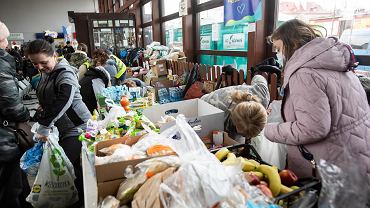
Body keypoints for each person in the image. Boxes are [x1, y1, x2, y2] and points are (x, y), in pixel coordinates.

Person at [263, 19, 370, 198]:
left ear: (292, 44)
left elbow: (312, 127)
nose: (277, 55)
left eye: (279, 49)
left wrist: (270, 130)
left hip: (331, 168)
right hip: (357, 156)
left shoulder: (305, 74)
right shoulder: (337, 64)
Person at [26, 39, 91, 206]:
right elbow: (50, 96)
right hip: (60, 127)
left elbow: (64, 100)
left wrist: (44, 126)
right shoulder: (46, 72)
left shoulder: (65, 73)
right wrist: (43, 108)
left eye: (43, 62)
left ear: (54, 55)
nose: (39, 67)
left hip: (78, 127)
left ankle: (86, 200)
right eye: (35, 64)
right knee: (67, 168)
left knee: (63, 167)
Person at [0, 20, 32, 208]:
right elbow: (11, 105)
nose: (7, 45)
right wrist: (25, 113)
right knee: (11, 189)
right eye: (4, 40)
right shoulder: (1, 64)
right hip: (4, 140)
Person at [201, 74, 270, 140]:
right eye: (244, 135)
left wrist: (261, 113)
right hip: (205, 105)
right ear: (233, 121)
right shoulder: (223, 120)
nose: (247, 138)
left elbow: (258, 77)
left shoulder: (262, 93)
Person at [79, 49, 111, 113]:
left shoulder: (92, 74)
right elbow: (101, 100)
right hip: (86, 112)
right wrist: (105, 117)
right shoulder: (97, 78)